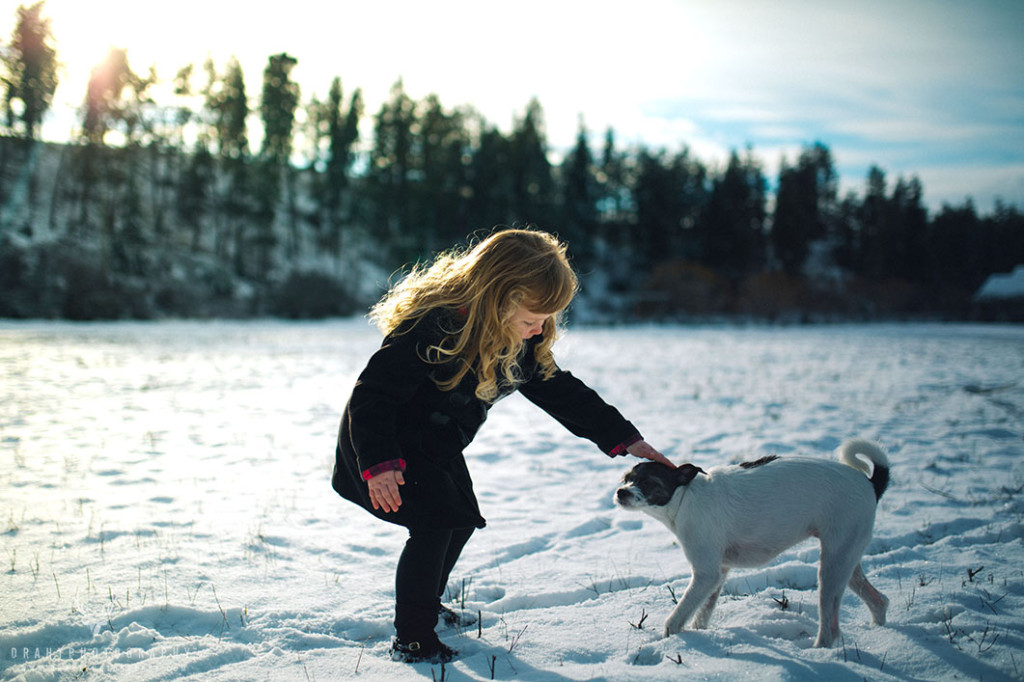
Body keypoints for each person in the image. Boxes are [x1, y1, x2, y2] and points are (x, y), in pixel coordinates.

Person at [331, 228, 674, 664]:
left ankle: (426, 606)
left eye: (548, 318)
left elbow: (563, 393)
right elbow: (372, 395)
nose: (540, 328)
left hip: (436, 446)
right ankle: (413, 638)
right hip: (383, 444)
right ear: (497, 298)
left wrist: (625, 438)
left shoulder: (520, 345)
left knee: (459, 521)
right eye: (532, 317)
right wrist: (379, 463)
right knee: (435, 526)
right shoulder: (433, 328)